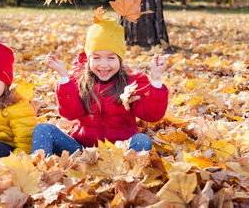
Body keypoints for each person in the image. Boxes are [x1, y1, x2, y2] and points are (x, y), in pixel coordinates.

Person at [31, 18, 168, 156]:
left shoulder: (132, 82)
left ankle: (125, 175)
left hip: (121, 151)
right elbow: (70, 114)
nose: (103, 64)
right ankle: (42, 169)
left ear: (120, 60)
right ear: (88, 59)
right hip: (82, 151)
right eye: (96, 58)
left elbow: (152, 115)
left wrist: (156, 79)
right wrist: (64, 77)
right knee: (43, 129)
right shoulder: (79, 80)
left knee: (142, 141)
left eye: (111, 58)